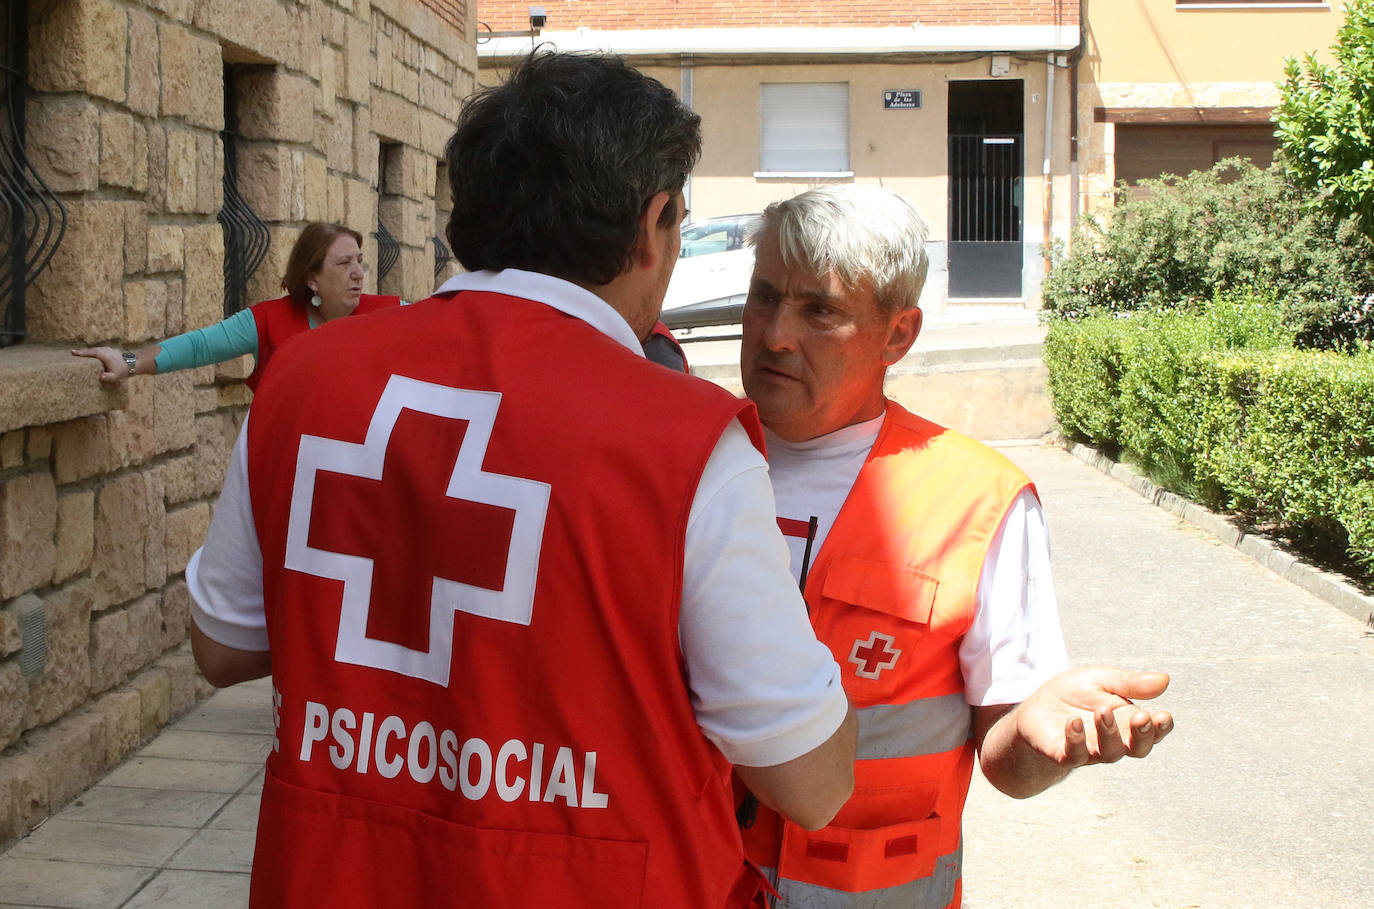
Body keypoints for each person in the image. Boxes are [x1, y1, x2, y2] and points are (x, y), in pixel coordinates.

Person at [184, 52, 856, 909]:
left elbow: (224, 643)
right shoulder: (683, 442)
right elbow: (809, 779)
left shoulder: (305, 381)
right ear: (653, 223)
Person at [734, 184, 1174, 908]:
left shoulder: (981, 499)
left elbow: (1008, 760)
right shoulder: (681, 458)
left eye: (821, 311)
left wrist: (1041, 731)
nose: (777, 333)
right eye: (764, 296)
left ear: (898, 335)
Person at [72, 222, 400, 390]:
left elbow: (441, 322)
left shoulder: (391, 315)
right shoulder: (269, 321)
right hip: (284, 474)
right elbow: (199, 346)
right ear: (312, 278)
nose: (358, 273)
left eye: (359, 261)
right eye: (344, 264)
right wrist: (128, 362)